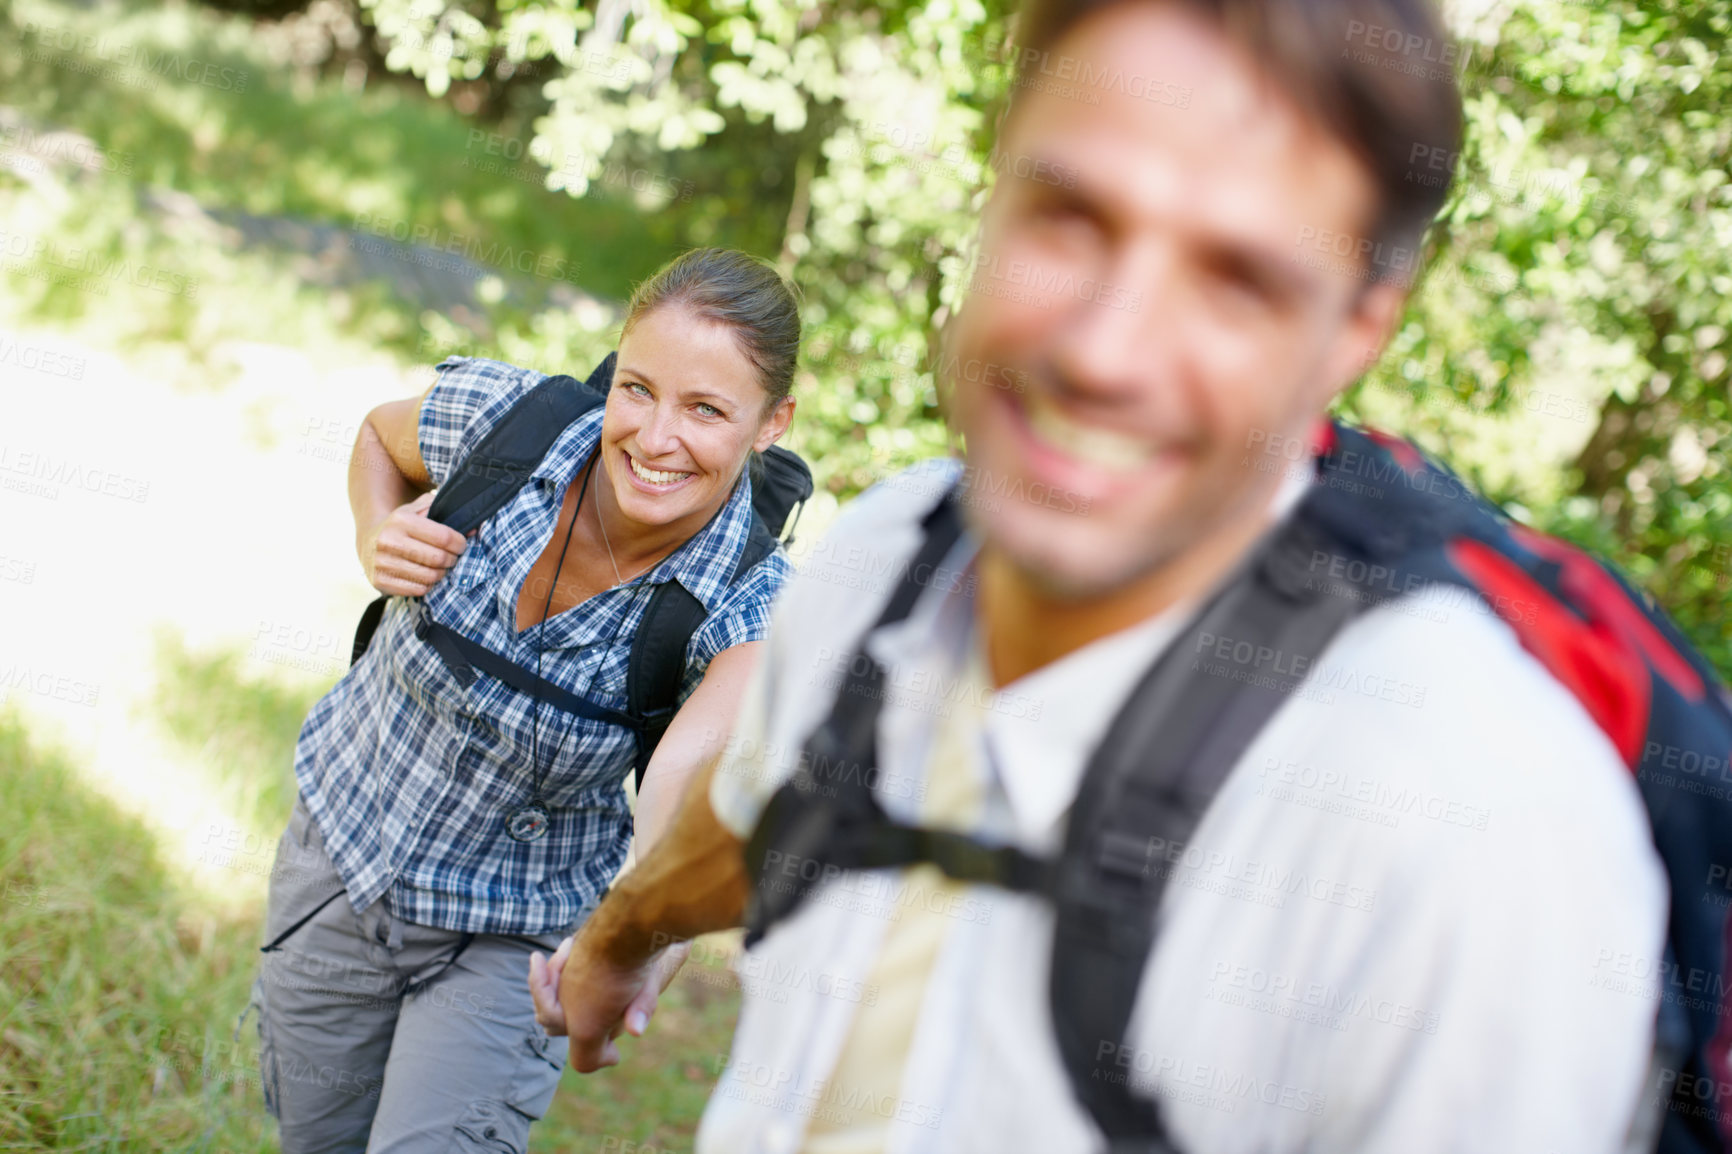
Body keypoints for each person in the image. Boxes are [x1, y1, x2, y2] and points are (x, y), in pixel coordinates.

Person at [531, 1, 1702, 1151]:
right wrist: (614, 942)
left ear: (1355, 334)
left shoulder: (1469, 823)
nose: (1104, 347)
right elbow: (761, 812)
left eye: (1236, 276)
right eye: (1069, 217)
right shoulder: (886, 551)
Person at [247, 247, 798, 1154]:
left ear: (771, 422)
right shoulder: (508, 424)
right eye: (638, 389)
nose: (656, 438)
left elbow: (691, 793)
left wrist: (637, 937)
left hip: (514, 935)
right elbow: (381, 437)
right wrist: (375, 532)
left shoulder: (751, 600)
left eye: (706, 410)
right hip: (343, 853)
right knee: (316, 1140)